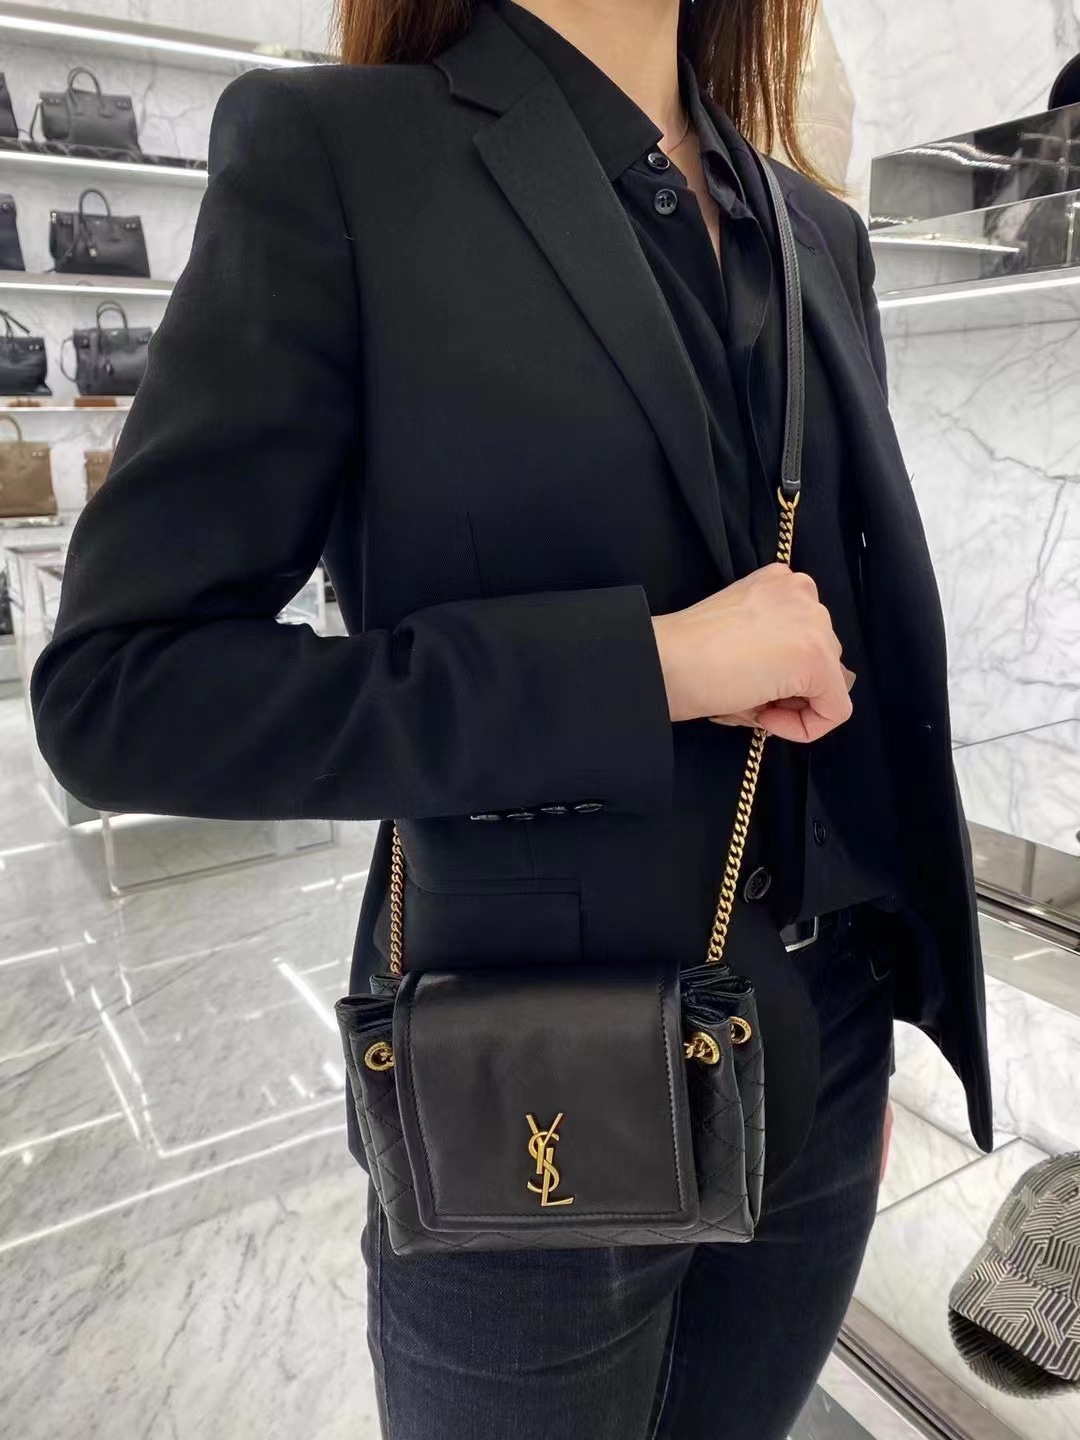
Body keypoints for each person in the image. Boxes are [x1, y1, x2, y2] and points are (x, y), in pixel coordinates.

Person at [29, 0, 993, 1435]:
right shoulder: (342, 158)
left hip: (821, 1064)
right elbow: (123, 692)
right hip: (526, 1085)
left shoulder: (815, 233)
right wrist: (642, 671)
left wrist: (861, 1039)